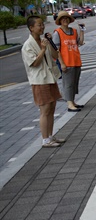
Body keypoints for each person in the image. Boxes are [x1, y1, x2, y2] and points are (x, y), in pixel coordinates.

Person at [21, 16, 66, 148]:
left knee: (52, 108)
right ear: (31, 28)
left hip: (50, 78)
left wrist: (50, 42)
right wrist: (41, 49)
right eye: (39, 25)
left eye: (42, 25)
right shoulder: (28, 46)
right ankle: (45, 139)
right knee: (45, 110)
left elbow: (54, 55)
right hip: (40, 81)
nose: (42, 27)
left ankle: (51, 136)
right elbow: (34, 63)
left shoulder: (43, 41)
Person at [53, 10, 84, 112]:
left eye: (66, 18)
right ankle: (69, 103)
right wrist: (62, 63)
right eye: (63, 19)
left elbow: (79, 42)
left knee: (74, 83)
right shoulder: (57, 33)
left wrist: (82, 30)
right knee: (68, 83)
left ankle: (72, 101)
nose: (65, 20)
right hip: (66, 62)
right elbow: (56, 50)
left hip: (76, 60)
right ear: (60, 21)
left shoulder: (74, 31)